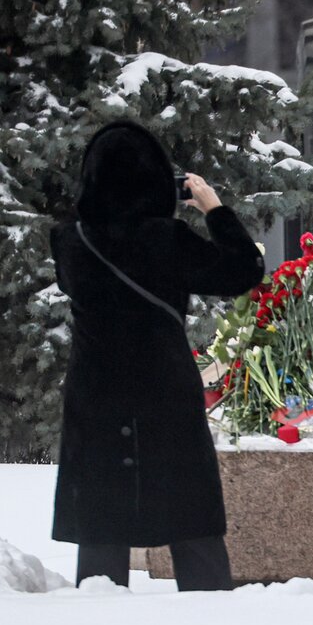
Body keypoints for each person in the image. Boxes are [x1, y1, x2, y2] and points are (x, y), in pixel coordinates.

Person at [51, 120, 264, 590]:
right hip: (163, 391)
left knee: (101, 530)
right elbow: (242, 269)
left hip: (96, 393)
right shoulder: (168, 240)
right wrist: (213, 209)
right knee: (191, 522)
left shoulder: (70, 242)